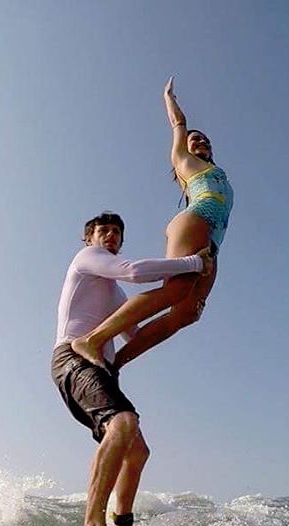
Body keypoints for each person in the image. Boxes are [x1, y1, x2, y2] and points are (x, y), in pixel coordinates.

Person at [51, 212, 212, 526]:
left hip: (100, 366)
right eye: (103, 231)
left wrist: (179, 319)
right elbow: (135, 271)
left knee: (138, 451)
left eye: (117, 232)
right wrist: (193, 263)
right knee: (123, 423)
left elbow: (136, 334)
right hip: (73, 356)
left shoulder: (113, 295)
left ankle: (122, 525)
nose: (110, 236)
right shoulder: (86, 259)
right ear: (88, 239)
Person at [71, 77, 234, 370]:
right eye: (194, 138)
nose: (200, 141)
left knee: (187, 313)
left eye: (205, 139)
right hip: (195, 219)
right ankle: (93, 339)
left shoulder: (218, 171)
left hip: (214, 241)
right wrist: (168, 97)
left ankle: (115, 364)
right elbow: (178, 123)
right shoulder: (184, 161)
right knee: (175, 290)